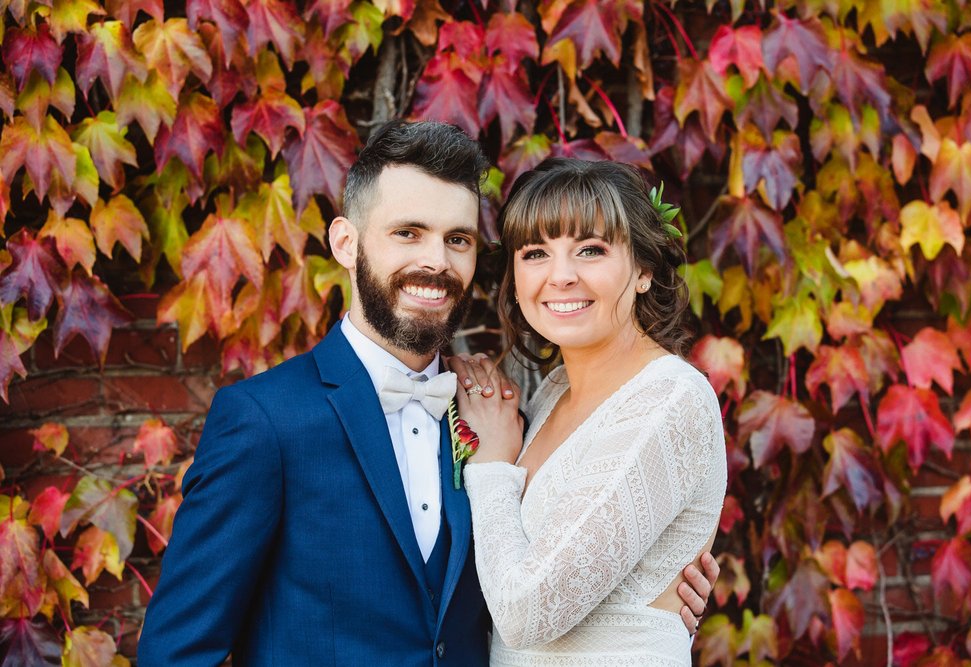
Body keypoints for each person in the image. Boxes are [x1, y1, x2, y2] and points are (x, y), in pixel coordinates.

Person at [137, 122, 717, 666]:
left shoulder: (491, 415)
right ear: (346, 242)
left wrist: (654, 593)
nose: (435, 262)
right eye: (407, 233)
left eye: (457, 239)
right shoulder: (265, 421)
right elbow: (179, 651)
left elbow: (539, 570)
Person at [448, 157, 728, 666]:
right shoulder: (553, 392)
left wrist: (491, 466)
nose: (561, 276)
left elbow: (526, 614)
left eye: (591, 250)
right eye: (536, 252)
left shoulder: (669, 400)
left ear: (644, 270)